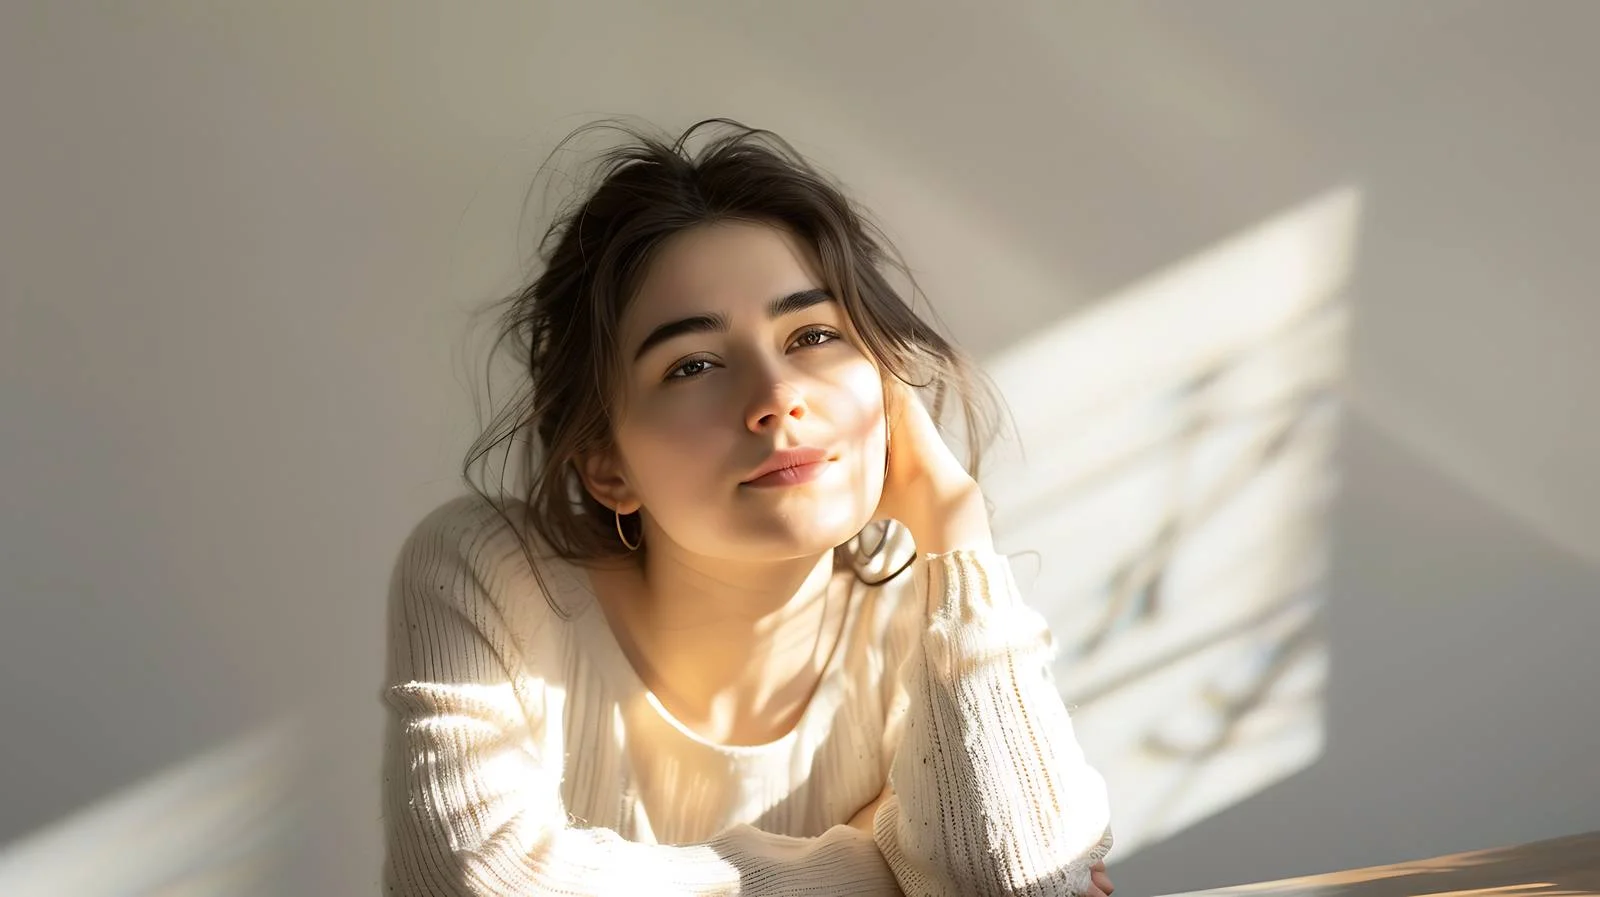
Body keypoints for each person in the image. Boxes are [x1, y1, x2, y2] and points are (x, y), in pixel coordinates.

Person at [380, 117, 1116, 896]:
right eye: (693, 363)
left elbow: (1028, 881)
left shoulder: (926, 608)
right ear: (606, 463)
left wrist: (956, 525)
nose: (776, 398)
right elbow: (473, 881)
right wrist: (878, 865)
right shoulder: (490, 569)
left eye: (813, 335)